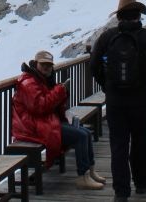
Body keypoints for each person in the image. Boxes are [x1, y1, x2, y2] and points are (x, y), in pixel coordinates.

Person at [91, 0, 146, 201]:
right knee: (140, 141)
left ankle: (121, 192)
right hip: (141, 100)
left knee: (118, 145)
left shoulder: (107, 37)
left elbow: (93, 65)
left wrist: (107, 85)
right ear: (137, 15)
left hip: (116, 101)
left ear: (119, 17)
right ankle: (142, 183)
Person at [12, 50, 105, 190]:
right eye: (43, 64)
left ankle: (89, 172)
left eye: (49, 65)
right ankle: (82, 176)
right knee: (81, 136)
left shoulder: (41, 79)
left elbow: (51, 106)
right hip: (32, 126)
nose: (46, 67)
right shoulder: (28, 82)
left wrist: (62, 93)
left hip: (44, 122)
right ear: (35, 63)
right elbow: (40, 107)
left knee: (84, 132)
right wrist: (59, 91)